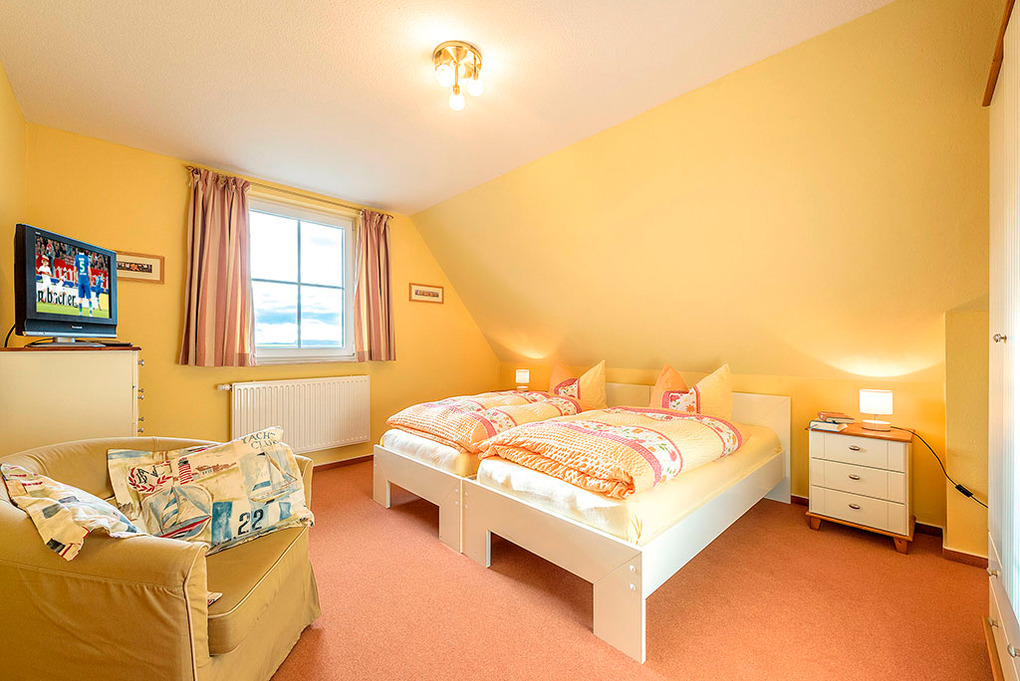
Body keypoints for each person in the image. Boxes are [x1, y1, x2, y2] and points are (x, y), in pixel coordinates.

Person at [75, 249, 94, 316]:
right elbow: (89, 271)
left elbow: (74, 270)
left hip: (80, 281)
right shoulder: (86, 258)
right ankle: (90, 314)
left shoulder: (76, 257)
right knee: (89, 298)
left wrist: (75, 280)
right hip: (86, 281)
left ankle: (80, 314)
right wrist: (90, 281)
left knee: (80, 298)